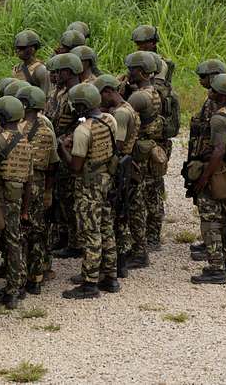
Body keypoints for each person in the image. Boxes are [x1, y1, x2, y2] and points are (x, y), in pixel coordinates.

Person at [57, 83, 118, 299]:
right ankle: (110, 276)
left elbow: (75, 167)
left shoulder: (83, 131)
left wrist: (62, 149)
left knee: (90, 233)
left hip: (88, 186)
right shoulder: (109, 120)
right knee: (106, 227)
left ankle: (90, 282)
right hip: (106, 179)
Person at [186, 74, 226, 283]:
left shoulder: (219, 118)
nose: (210, 89)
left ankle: (215, 268)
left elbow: (218, 150)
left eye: (214, 88)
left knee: (210, 221)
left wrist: (204, 178)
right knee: (225, 218)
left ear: (222, 95)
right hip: (225, 174)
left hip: (214, 172)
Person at [0, 96, 33, 309]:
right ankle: (14, 290)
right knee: (13, 243)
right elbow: (29, 180)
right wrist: (25, 209)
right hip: (15, 200)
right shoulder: (25, 142)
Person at [95, 75, 141, 278]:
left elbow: (118, 145)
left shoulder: (121, 114)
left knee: (115, 217)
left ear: (107, 91)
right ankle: (119, 263)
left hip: (120, 167)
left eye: (99, 95)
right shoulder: (126, 107)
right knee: (120, 216)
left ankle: (116, 264)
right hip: (126, 166)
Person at [16, 86, 59, 293]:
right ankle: (37, 277)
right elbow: (53, 165)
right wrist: (48, 192)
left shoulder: (16, 129)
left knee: (20, 232)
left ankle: (19, 278)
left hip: (22, 184)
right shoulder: (48, 130)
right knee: (39, 230)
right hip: (40, 184)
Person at [123, 51, 163, 269]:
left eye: (131, 69)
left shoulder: (139, 97)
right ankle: (140, 247)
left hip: (138, 153)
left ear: (140, 71)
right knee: (146, 197)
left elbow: (124, 114)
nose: (128, 72)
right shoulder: (153, 91)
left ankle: (139, 251)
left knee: (136, 202)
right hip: (148, 150)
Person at [45, 53, 84, 259]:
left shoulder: (78, 94)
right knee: (60, 196)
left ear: (68, 72)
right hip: (57, 147)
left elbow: (83, 120)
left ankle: (76, 241)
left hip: (68, 149)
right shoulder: (59, 92)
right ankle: (63, 235)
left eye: (58, 71)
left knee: (70, 197)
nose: (55, 75)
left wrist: (67, 139)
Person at [188, 60, 226, 258]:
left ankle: (214, 249)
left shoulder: (217, 103)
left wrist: (205, 173)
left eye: (203, 77)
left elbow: (218, 145)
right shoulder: (212, 100)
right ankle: (210, 243)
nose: (200, 80)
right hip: (205, 158)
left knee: (212, 208)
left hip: (212, 163)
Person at [12, 29, 51, 95]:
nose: (18, 51)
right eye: (17, 48)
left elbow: (45, 96)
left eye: (22, 48)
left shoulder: (40, 70)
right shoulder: (16, 68)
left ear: (32, 49)